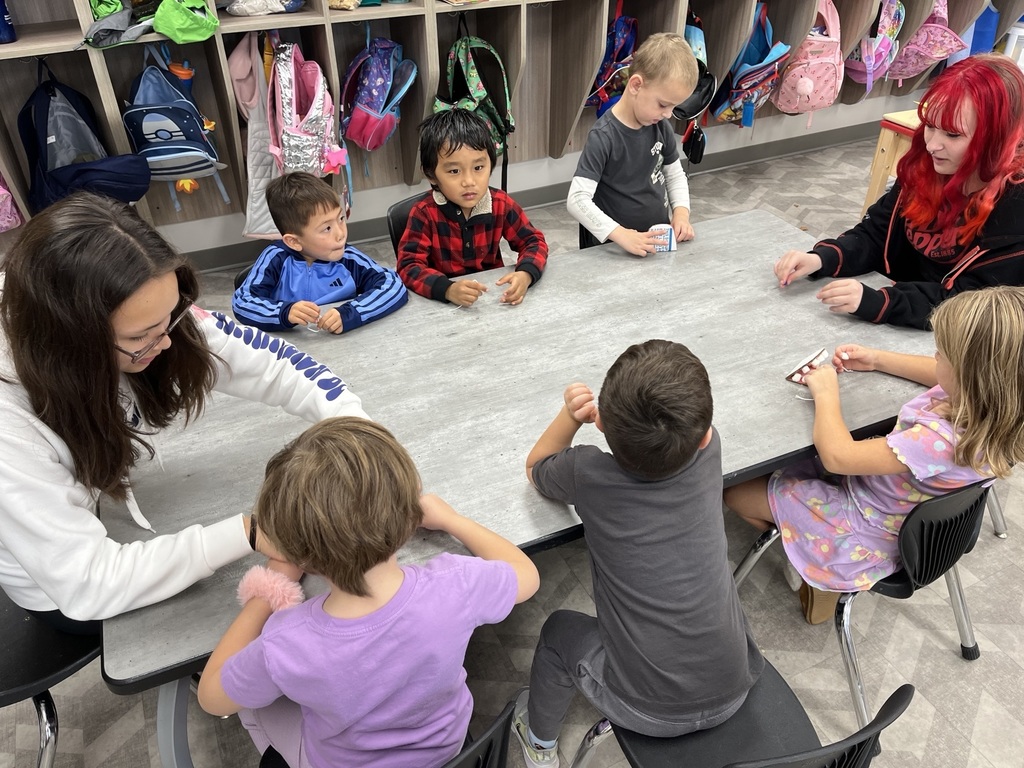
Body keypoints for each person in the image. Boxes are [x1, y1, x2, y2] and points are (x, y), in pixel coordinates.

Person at [0, 192, 368, 633]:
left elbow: (269, 362)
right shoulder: (11, 425)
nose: (168, 341)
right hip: (60, 594)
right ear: (71, 341)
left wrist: (358, 430)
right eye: (143, 337)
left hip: (98, 513)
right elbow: (87, 583)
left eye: (170, 319)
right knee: (225, 627)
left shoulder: (145, 299)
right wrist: (249, 532)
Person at [197, 417, 539, 768]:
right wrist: (453, 520)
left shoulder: (285, 642)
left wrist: (268, 591)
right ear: (410, 517)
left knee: (255, 706)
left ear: (300, 555)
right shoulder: (456, 584)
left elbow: (212, 697)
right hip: (449, 750)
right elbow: (527, 576)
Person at [515, 340, 763, 767]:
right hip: (736, 685)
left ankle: (538, 743)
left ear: (602, 425)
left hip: (647, 711)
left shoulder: (586, 471)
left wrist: (571, 417)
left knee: (557, 629)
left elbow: (536, 466)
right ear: (704, 435)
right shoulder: (710, 450)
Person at [724, 286, 1024, 623]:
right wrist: (877, 358)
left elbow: (838, 457)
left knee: (736, 490)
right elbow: (934, 372)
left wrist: (826, 392)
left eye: (942, 353)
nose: (935, 357)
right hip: (896, 508)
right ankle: (808, 552)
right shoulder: (994, 409)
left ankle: (822, 572)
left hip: (865, 530)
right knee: (791, 462)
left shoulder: (938, 442)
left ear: (973, 374)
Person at [774, 54, 1024, 329]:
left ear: (995, 138)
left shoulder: (1014, 206)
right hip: (905, 310)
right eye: (930, 126)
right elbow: (876, 233)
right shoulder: (928, 167)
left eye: (952, 135)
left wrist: (881, 302)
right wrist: (823, 258)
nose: (932, 145)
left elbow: (974, 305)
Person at [397, 108, 548, 307]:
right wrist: (447, 289)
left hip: (493, 299)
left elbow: (533, 241)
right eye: (454, 171)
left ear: (491, 165)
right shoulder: (424, 214)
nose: (469, 181)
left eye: (478, 168)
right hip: (442, 306)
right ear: (431, 174)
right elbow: (408, 266)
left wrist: (526, 273)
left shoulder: (500, 204)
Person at [567, 32, 699, 255]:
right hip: (612, 250)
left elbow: (675, 175)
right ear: (636, 85)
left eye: (673, 107)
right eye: (663, 105)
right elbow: (577, 200)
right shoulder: (604, 136)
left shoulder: (660, 126)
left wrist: (681, 213)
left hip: (653, 244)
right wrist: (621, 235)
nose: (668, 115)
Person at [232, 171, 407, 333]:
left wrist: (350, 313)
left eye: (341, 219)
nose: (341, 234)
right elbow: (242, 301)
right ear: (294, 241)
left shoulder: (349, 258)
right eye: (327, 228)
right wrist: (284, 312)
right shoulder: (274, 259)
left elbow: (392, 285)